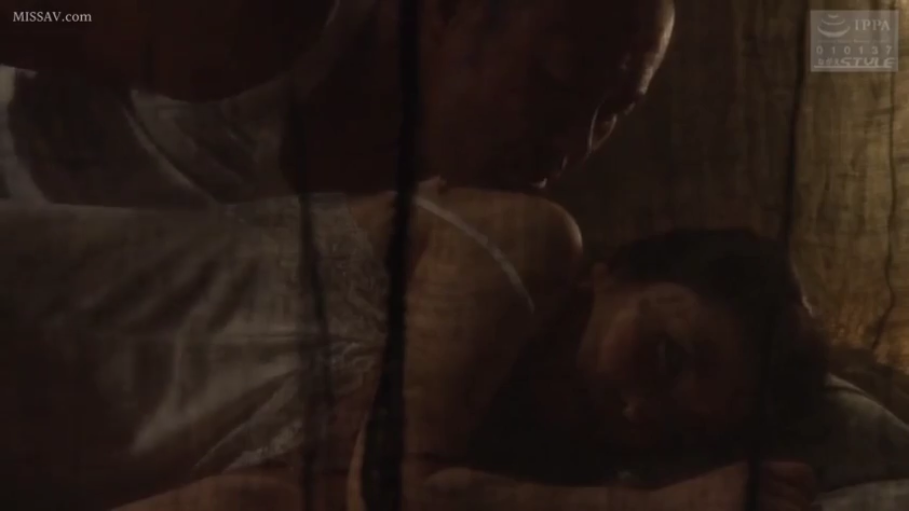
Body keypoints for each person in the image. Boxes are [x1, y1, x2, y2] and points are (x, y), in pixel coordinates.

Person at [0, 185, 826, 511]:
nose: (639, 411)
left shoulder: (508, 459)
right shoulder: (530, 241)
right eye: (666, 355)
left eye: (674, 431)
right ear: (619, 272)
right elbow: (394, 491)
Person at [0, 0, 673, 199]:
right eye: (558, 78)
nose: (574, 141)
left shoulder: (454, 221)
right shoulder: (259, 24)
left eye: (614, 111)